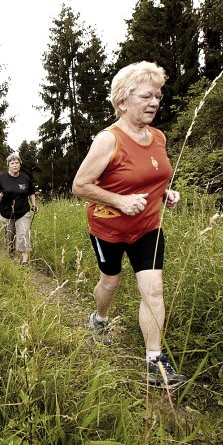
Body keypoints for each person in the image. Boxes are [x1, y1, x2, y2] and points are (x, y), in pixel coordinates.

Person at [72, 61, 187, 389]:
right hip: (108, 229)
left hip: (148, 227)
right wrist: (120, 201)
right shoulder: (108, 140)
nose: (154, 102)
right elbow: (80, 186)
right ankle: (100, 319)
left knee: (154, 289)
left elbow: (152, 174)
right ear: (122, 101)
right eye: (146, 96)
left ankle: (154, 363)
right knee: (110, 283)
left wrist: (165, 192)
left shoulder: (159, 137)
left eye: (158, 96)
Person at [0, 153, 37, 265]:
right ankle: (11, 255)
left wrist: (34, 205)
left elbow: (31, 192)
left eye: (16, 162)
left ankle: (24, 261)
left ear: (20, 164)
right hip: (6, 213)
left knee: (24, 234)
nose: (14, 165)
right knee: (9, 238)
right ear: (8, 165)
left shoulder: (25, 178)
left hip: (23, 212)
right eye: (12, 163)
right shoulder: (1, 177)